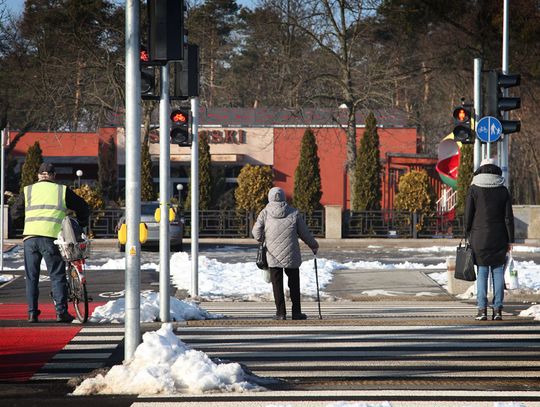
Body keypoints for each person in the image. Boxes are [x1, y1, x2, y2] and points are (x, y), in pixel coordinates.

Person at [11, 163, 90, 323]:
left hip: (30, 238)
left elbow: (14, 213)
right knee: (57, 276)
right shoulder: (61, 190)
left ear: (39, 175)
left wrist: (26, 225)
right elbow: (83, 207)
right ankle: (61, 312)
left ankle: (32, 313)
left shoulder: (28, 190)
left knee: (31, 277)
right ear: (53, 175)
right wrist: (80, 224)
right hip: (52, 238)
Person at [252, 187, 319, 320]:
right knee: (294, 283)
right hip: (291, 254)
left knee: (277, 284)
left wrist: (262, 239)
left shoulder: (264, 213)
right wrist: (313, 245)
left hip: (272, 255)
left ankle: (281, 313)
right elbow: (304, 233)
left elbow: (256, 234)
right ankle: (296, 312)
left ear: (270, 197)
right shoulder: (294, 213)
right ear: (284, 197)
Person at [465, 158, 514, 321]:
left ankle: (482, 310)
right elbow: (508, 217)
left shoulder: (474, 188)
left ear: (481, 169)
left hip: (479, 237)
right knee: (498, 272)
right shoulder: (503, 190)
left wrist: (466, 232)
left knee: (482, 272)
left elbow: (468, 214)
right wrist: (510, 239)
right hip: (499, 236)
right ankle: (498, 309)